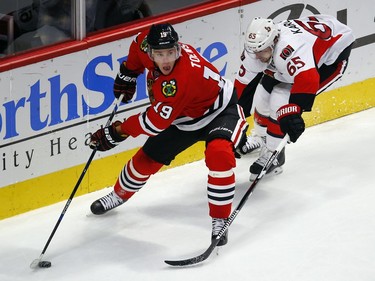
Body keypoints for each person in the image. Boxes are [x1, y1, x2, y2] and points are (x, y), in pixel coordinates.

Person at [89, 23, 248, 246]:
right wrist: (129, 72)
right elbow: (137, 43)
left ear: (178, 50)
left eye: (171, 53)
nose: (166, 60)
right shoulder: (144, 44)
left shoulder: (180, 78)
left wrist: (118, 132)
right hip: (182, 117)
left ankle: (220, 219)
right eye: (160, 54)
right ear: (150, 51)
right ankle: (118, 195)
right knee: (146, 159)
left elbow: (154, 122)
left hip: (219, 112)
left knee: (219, 154)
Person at [234, 15, 355, 180]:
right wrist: (233, 122)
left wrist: (293, 114)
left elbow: (308, 80)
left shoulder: (290, 50)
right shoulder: (258, 48)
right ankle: (262, 138)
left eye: (261, 51)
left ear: (274, 42)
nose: (256, 56)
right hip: (300, 55)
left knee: (280, 101)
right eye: (254, 51)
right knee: (262, 95)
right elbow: (242, 87)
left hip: (331, 58)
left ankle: (274, 155)